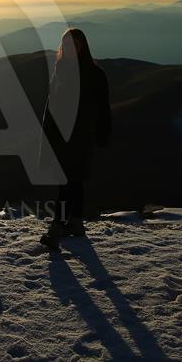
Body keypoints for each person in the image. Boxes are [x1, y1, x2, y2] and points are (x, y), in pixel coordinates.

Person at [38, 28, 112, 249]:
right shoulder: (60, 70)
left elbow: (103, 108)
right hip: (62, 135)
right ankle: (76, 223)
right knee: (73, 181)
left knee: (68, 181)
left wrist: (102, 133)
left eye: (75, 44)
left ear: (83, 47)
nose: (71, 49)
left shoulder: (94, 74)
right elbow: (52, 104)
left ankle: (57, 227)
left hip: (80, 136)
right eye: (67, 44)